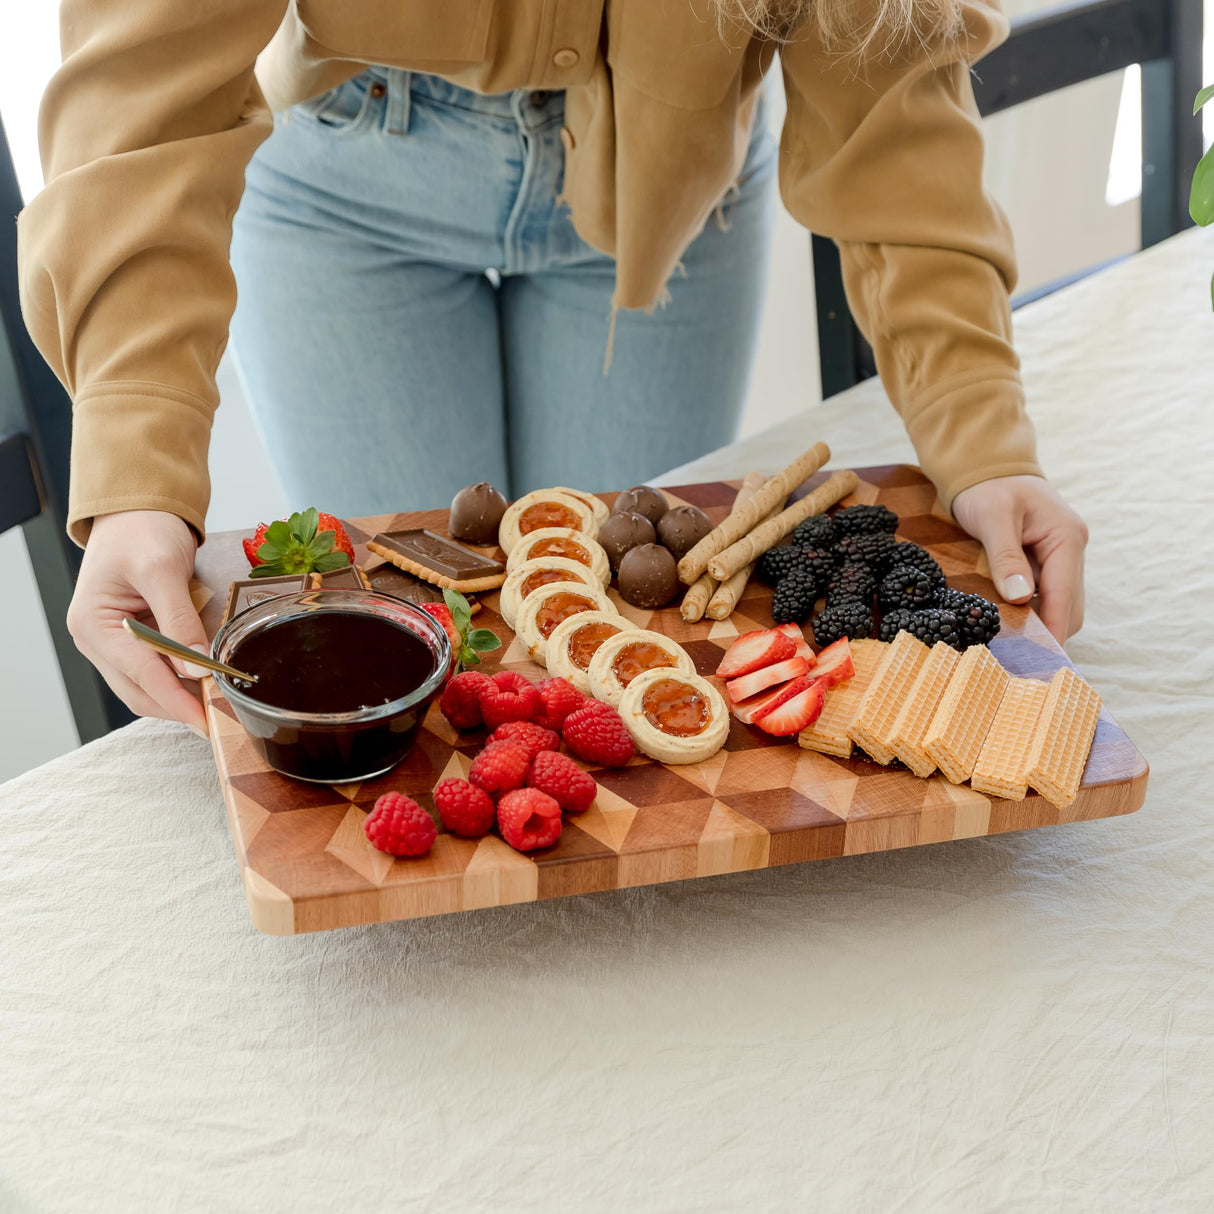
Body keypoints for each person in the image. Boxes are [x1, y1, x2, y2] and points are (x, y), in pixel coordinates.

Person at [18, 0, 1088, 736]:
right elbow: (145, 91)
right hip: (342, 181)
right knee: (414, 665)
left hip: (672, 186)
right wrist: (136, 475)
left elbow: (891, 91)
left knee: (649, 631)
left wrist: (979, 434)